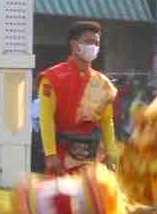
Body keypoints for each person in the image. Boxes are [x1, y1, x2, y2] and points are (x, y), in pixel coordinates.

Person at [37, 21, 119, 174]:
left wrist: (112, 153)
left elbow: (107, 121)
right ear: (74, 45)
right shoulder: (52, 77)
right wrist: (50, 154)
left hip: (92, 159)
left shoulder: (104, 84)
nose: (93, 47)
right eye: (88, 41)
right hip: (61, 157)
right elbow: (46, 118)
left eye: (96, 43)